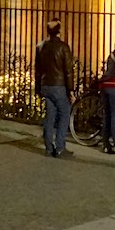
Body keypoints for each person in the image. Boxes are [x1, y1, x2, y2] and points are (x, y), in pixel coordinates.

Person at [34, 18, 74, 157]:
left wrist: (38, 88)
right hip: (58, 86)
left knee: (50, 116)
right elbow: (68, 70)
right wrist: (71, 90)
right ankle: (60, 146)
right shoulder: (63, 47)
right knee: (64, 113)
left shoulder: (40, 47)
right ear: (59, 31)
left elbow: (37, 70)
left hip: (46, 85)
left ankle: (48, 147)